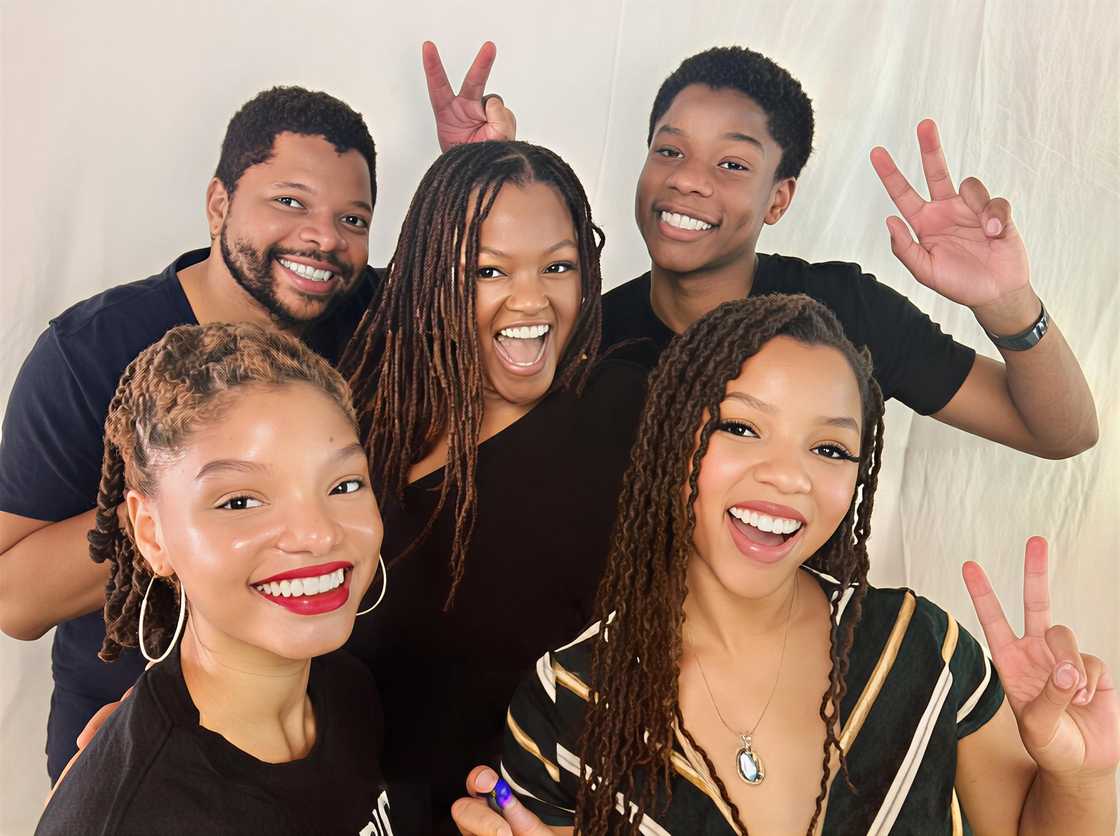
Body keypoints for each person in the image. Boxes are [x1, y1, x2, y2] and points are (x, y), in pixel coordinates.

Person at [0, 43, 515, 783]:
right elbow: (13, 600)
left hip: (320, 727)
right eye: (289, 201)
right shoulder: (89, 352)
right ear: (219, 204)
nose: (324, 237)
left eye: (353, 217)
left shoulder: (370, 315)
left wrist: (473, 186)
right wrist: (198, 502)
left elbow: (498, 314)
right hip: (134, 735)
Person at [454, 295, 1118, 834]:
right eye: (741, 428)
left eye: (829, 448)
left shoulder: (921, 648)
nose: (787, 477)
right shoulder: (571, 698)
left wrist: (1081, 777)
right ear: (670, 437)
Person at [340, 139, 648, 832]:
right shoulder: (365, 425)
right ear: (430, 279)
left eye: (559, 266)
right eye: (488, 270)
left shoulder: (627, 413)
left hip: (546, 815)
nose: (532, 298)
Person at [602, 46, 1097, 459]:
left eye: (731, 163)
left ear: (778, 199)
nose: (687, 179)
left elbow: (1063, 434)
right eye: (669, 151)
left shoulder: (842, 313)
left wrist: (1009, 304)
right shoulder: (589, 335)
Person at [35, 323, 392, 835]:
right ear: (152, 534)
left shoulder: (348, 693)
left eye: (344, 484)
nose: (316, 534)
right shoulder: (134, 818)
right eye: (241, 501)